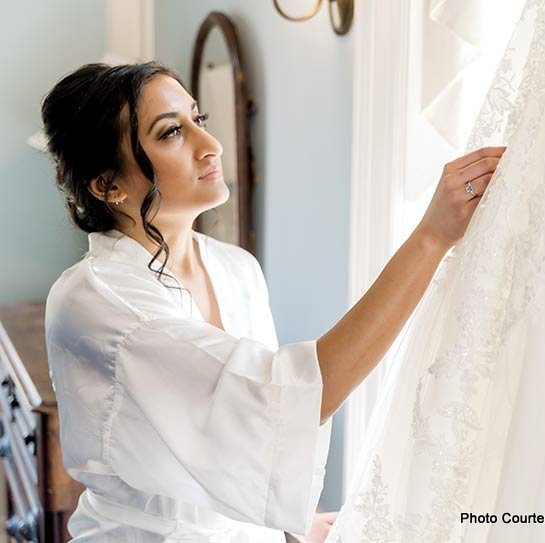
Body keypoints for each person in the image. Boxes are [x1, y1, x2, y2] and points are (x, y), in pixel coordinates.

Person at [40, 61, 504, 542]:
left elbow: (245, 435)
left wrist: (297, 525)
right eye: (172, 132)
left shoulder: (237, 269)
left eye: (198, 120)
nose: (210, 146)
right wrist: (430, 238)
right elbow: (289, 397)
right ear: (108, 185)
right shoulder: (98, 301)